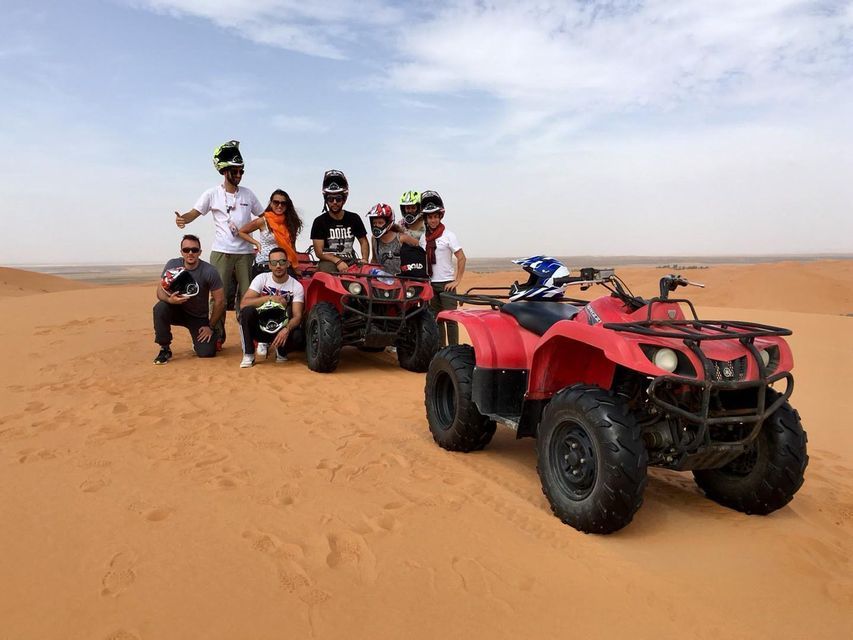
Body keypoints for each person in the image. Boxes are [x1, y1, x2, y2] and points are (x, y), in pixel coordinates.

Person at [173, 140, 265, 347]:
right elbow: (194, 213)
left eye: (242, 171)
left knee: (247, 295)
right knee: (218, 297)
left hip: (245, 253)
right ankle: (217, 334)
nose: (239, 175)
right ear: (224, 172)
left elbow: (264, 217)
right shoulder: (212, 194)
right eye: (235, 171)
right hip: (221, 252)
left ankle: (249, 335)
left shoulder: (248, 194)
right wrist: (183, 219)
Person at [153, 234, 225, 364]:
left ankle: (204, 340)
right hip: (175, 311)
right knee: (160, 308)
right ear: (181, 252)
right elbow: (159, 291)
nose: (190, 253)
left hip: (198, 316)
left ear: (200, 252)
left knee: (207, 352)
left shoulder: (209, 271)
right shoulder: (172, 264)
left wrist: (210, 326)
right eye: (186, 250)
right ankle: (164, 348)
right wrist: (170, 300)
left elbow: (220, 301)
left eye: (194, 250)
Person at [238, 247, 305, 368]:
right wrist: (269, 298)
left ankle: (281, 351)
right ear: (269, 265)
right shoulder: (261, 279)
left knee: (298, 336)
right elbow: (244, 303)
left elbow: (298, 316)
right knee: (247, 311)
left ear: (288, 263)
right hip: (261, 327)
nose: (278, 266)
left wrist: (287, 329)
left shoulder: (296, 286)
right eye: (274, 263)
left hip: (281, 329)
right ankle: (249, 354)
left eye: (282, 262)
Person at [419, 190, 466, 347]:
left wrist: (457, 281)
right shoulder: (423, 238)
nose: (433, 220)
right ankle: (441, 352)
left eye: (435, 216)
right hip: (431, 284)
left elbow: (461, 257)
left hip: (447, 284)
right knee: (437, 319)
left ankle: (454, 351)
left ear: (440, 216)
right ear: (426, 218)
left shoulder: (448, 235)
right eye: (430, 217)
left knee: (451, 320)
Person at [310, 170, 369, 273]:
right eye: (330, 199)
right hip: (329, 261)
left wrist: (364, 259)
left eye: (338, 199)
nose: (334, 202)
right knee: (328, 276)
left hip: (352, 260)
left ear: (344, 199)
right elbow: (319, 252)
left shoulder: (354, 218)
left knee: (371, 276)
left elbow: (363, 241)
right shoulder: (319, 221)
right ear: (326, 200)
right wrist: (337, 261)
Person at [238, 189, 302, 277]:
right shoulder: (263, 221)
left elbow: (292, 246)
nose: (280, 205)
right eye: (276, 202)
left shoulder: (291, 222)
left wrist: (295, 267)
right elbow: (241, 232)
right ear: (271, 203)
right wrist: (256, 243)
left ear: (287, 206)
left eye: (283, 203)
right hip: (265, 266)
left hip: (284, 265)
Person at [397, 190, 428, 278]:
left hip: (423, 267)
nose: (410, 211)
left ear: (419, 208)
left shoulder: (426, 225)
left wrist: (408, 239)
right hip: (405, 267)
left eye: (413, 208)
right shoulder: (401, 225)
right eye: (407, 208)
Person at [366, 202, 404, 275]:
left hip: (400, 281)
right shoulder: (374, 239)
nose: (376, 226)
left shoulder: (400, 238)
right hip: (381, 280)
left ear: (388, 222)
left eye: (380, 223)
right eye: (374, 223)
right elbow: (374, 260)